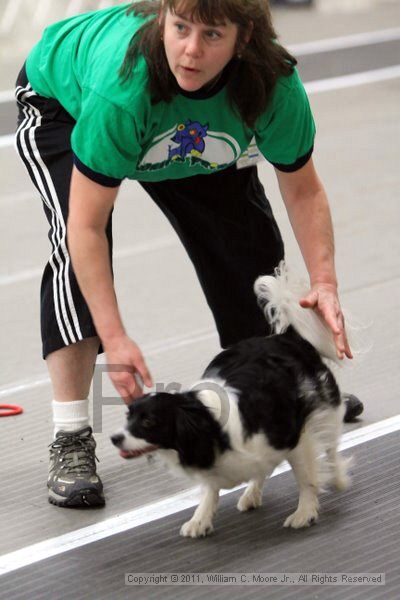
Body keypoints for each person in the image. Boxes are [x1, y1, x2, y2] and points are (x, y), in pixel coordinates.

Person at [15, 0, 362, 508]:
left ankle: (283, 392)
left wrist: (325, 283)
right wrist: (115, 338)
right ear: (163, 19)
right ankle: (71, 436)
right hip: (64, 103)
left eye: (211, 36)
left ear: (244, 40)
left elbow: (304, 191)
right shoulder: (122, 89)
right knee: (75, 259)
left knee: (249, 255)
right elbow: (85, 228)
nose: (191, 51)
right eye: (179, 28)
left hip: (185, 125)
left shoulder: (271, 82)